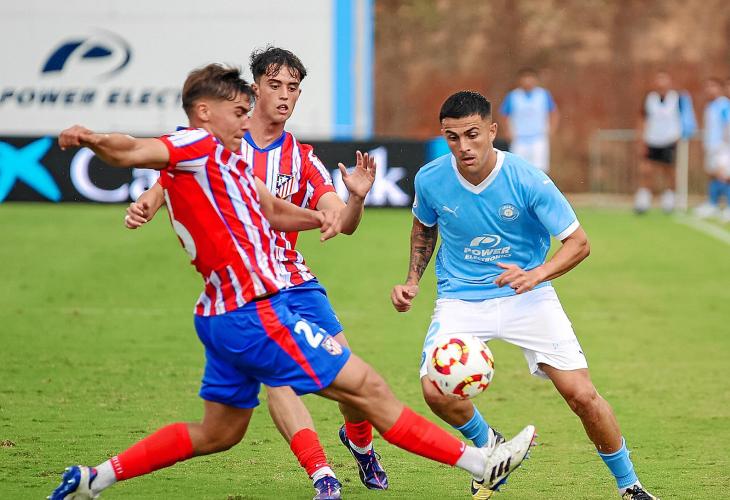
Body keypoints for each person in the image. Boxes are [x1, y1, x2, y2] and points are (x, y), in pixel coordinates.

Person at [49, 65, 536, 500]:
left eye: (247, 113)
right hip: (252, 312)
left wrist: (327, 216)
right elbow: (131, 149)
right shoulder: (195, 143)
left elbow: (274, 210)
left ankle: (92, 479)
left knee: (219, 433)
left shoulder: (232, 161)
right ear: (204, 112)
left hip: (222, 314)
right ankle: (483, 462)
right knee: (367, 387)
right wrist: (91, 137)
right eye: (237, 112)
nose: (246, 122)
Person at [124, 47, 387, 498]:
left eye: (293, 88)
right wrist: (149, 200)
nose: (284, 95)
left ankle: (360, 445)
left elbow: (341, 222)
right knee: (279, 380)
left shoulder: (302, 158)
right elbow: (175, 170)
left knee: (349, 380)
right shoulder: (223, 141)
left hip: (296, 281)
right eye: (275, 85)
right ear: (255, 89)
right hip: (248, 289)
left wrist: (356, 199)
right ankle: (323, 475)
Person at [391, 91, 659, 500]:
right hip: (461, 299)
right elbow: (424, 230)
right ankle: (492, 445)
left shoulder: (528, 178)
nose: (463, 146)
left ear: (492, 131)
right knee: (434, 389)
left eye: (472, 134)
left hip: (528, 297)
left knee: (582, 396)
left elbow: (579, 243)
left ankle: (631, 486)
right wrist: (412, 281)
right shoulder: (430, 179)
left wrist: (537, 274)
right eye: (452, 137)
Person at [634, 71, 694, 214]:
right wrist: (641, 139)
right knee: (646, 171)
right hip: (651, 140)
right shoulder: (649, 98)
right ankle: (643, 200)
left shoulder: (677, 98)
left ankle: (669, 199)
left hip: (669, 140)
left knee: (669, 172)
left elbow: (685, 118)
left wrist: (681, 136)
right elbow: (642, 118)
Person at [499, 67, 558, 173]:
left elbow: (553, 112)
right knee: (518, 169)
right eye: (525, 78)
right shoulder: (513, 96)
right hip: (519, 139)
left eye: (530, 78)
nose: (528, 82)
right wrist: (507, 131)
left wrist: (552, 129)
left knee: (540, 170)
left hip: (539, 137)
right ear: (519, 80)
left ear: (536, 80)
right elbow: (503, 114)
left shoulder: (543, 95)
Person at [694, 77, 730, 221]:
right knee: (713, 175)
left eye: (713, 86)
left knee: (725, 176)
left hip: (722, 147)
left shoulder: (724, 105)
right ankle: (712, 203)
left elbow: (727, 126)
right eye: (707, 87)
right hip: (711, 147)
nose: (709, 90)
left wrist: (724, 146)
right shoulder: (710, 106)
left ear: (720, 88)